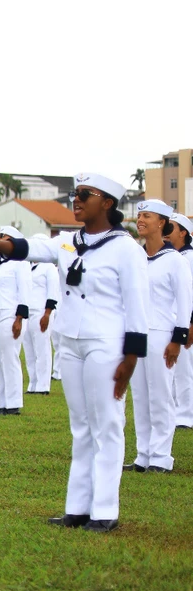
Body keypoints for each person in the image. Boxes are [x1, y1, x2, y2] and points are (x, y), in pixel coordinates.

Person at [0, 173, 148, 532]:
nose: (75, 200)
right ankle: (77, 507)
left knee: (107, 424)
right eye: (73, 194)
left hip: (106, 344)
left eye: (84, 194)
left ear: (108, 203)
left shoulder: (126, 249)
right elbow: (31, 249)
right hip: (73, 342)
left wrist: (131, 358)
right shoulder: (69, 242)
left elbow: (137, 305)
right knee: (80, 426)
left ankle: (105, 510)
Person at [125, 200, 191, 473]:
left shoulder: (174, 260)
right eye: (139, 215)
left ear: (162, 223)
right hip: (137, 333)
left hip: (163, 334)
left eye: (147, 216)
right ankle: (144, 455)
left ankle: (162, 457)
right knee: (140, 395)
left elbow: (185, 301)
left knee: (161, 395)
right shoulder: (136, 257)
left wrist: (178, 338)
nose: (140, 220)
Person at [0, 226, 32, 415]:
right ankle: (0, 403)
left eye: (3, 236)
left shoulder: (20, 262)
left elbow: (25, 292)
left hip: (9, 313)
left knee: (9, 357)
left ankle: (13, 404)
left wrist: (19, 318)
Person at [23, 241, 60, 394]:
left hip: (41, 313)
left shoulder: (49, 267)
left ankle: (43, 386)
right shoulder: (26, 266)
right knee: (29, 351)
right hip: (26, 313)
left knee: (42, 350)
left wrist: (47, 313)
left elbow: (53, 293)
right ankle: (33, 384)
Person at [171, 213, 193, 429]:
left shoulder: (190, 258)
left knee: (184, 371)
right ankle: (177, 411)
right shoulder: (174, 257)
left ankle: (186, 415)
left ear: (183, 233)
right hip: (174, 321)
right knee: (175, 370)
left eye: (171, 227)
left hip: (186, 321)